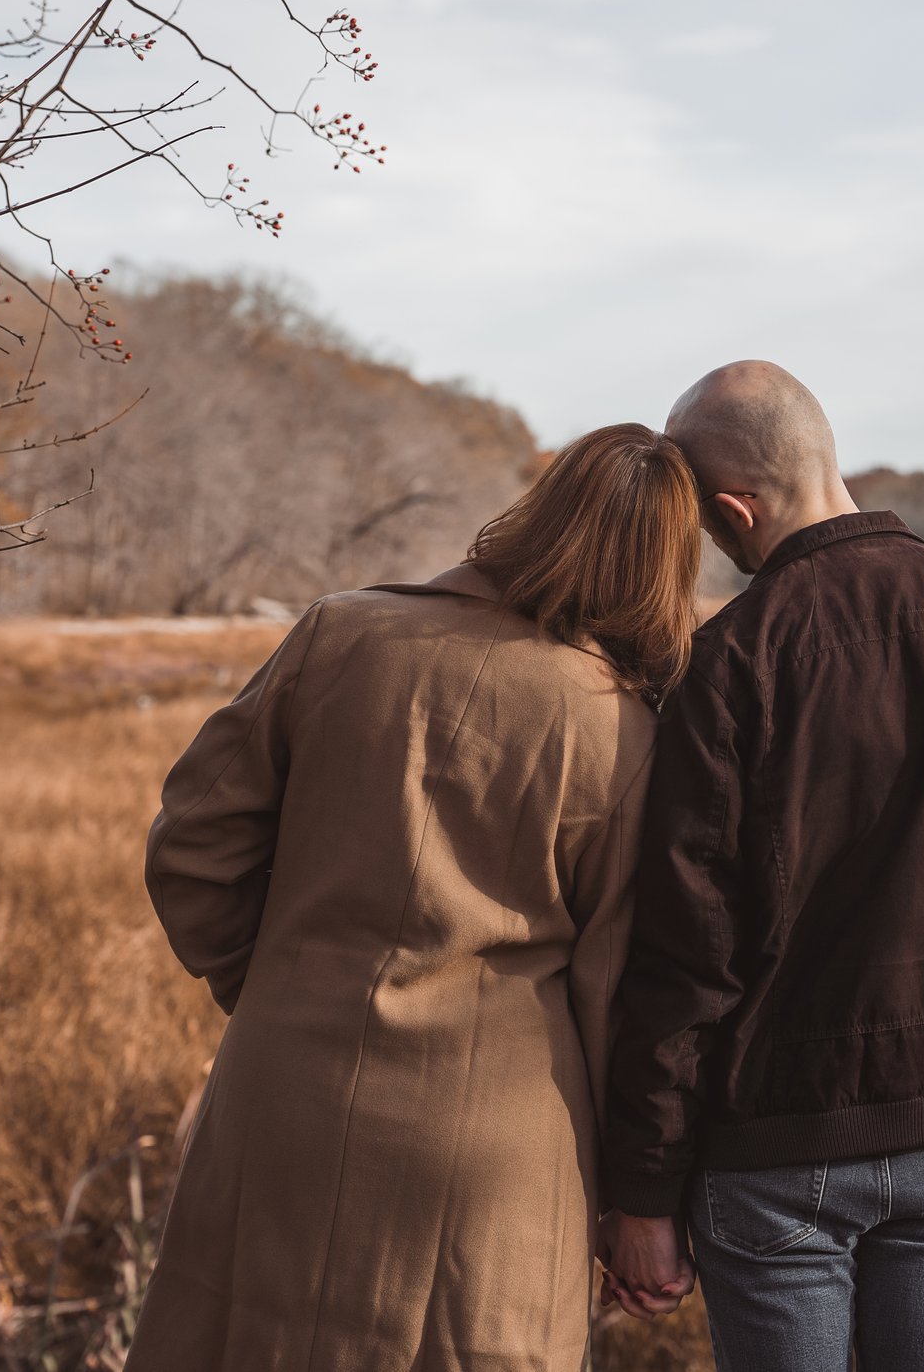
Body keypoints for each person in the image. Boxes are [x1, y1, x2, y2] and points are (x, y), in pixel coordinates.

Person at [125, 424, 700, 1371]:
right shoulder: (621, 730)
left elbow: (192, 848)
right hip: (498, 1154)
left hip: (281, 1095)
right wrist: (638, 1192)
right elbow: (614, 990)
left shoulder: (340, 631)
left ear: (539, 515)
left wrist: (274, 990)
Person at [597, 362, 924, 1371]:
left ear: (732, 507)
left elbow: (685, 956)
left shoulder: (730, 661)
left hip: (771, 1155)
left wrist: (644, 1191)